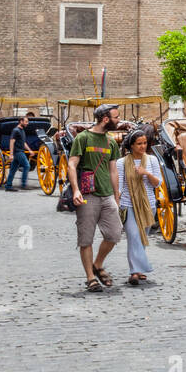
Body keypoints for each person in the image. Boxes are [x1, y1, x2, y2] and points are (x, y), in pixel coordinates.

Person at [67, 104, 123, 292]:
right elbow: (72, 165)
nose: (118, 120)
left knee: (114, 234)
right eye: (116, 117)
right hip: (87, 195)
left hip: (107, 195)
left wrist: (116, 196)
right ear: (105, 119)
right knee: (86, 238)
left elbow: (113, 170)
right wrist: (76, 190)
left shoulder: (111, 142)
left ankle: (97, 264)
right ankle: (90, 277)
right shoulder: (83, 138)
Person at [118, 129, 161, 285]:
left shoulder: (152, 161)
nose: (143, 146)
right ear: (131, 145)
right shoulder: (121, 163)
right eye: (139, 144)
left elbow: (158, 183)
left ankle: (139, 269)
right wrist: (116, 203)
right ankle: (134, 271)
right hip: (128, 205)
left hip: (148, 205)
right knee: (133, 236)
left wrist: (146, 174)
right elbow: (119, 186)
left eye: (145, 143)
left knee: (142, 237)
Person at [5, 112, 33, 192]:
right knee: (27, 166)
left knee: (13, 169)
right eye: (26, 121)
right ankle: (23, 184)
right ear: (21, 121)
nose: (27, 123)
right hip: (18, 152)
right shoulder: (16, 130)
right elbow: (11, 142)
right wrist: (11, 154)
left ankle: (8, 186)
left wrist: (30, 150)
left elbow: (23, 142)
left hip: (20, 151)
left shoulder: (22, 130)